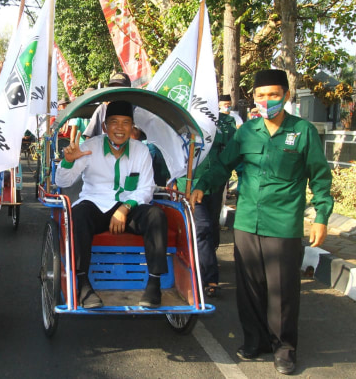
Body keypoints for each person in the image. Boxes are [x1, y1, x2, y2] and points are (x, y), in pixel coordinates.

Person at [189, 69, 333, 375]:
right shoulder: (247, 131)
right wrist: (203, 185)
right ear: (254, 99)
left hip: (283, 222)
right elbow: (223, 164)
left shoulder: (303, 131)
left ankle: (284, 348)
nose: (266, 101)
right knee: (249, 287)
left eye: (273, 95)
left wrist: (321, 216)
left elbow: (320, 177)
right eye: (261, 95)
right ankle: (255, 340)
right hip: (247, 222)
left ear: (286, 96)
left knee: (282, 290)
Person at [55, 100, 168, 309]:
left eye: (126, 123)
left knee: (156, 215)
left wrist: (125, 208)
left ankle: (154, 283)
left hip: (129, 209)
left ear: (132, 127)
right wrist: (69, 161)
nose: (120, 128)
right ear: (105, 126)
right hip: (95, 205)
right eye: (114, 122)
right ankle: (83, 283)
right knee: (77, 214)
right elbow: (62, 182)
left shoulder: (141, 151)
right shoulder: (89, 147)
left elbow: (146, 188)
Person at [177, 94, 237, 298]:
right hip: (187, 184)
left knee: (210, 228)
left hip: (214, 184)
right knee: (201, 228)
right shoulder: (178, 118)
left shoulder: (224, 122)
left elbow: (230, 153)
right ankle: (208, 277)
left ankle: (203, 263)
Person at [82, 72, 131, 139]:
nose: (116, 92)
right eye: (113, 89)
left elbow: (135, 136)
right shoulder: (102, 109)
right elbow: (89, 137)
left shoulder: (135, 110)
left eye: (120, 89)